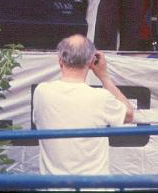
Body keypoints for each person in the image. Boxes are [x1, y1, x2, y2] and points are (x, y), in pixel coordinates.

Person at [32, 34, 133, 175]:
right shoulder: (101, 97)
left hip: (54, 186)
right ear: (92, 62)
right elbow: (129, 115)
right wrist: (104, 76)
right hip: (94, 187)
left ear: (60, 61)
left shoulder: (41, 92)